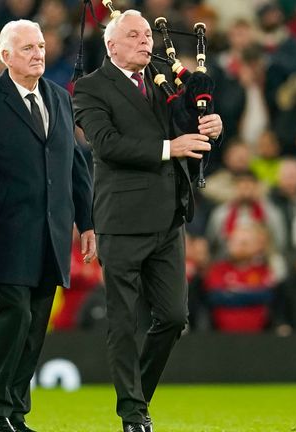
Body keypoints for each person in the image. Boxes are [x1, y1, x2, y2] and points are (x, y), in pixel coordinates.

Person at [72, 10, 223, 432]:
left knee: (174, 317)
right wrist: (167, 148)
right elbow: (105, 144)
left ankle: (137, 395)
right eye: (134, 35)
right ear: (111, 45)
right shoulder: (89, 88)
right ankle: (133, 414)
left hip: (170, 217)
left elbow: (191, 128)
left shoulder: (165, 77)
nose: (146, 41)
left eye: (146, 35)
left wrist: (213, 126)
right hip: (121, 219)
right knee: (122, 320)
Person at [0, 20, 95, 432]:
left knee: (34, 325)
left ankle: (14, 412)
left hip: (50, 234)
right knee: (12, 317)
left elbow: (75, 165)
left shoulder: (60, 99)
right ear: (5, 56)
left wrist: (87, 221)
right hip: (3, 234)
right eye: (28, 47)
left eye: (41, 46)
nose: (38, 53)